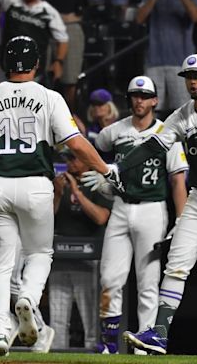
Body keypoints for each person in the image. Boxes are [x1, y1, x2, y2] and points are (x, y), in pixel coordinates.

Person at [0, 35, 120, 356]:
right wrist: (104, 168)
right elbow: (75, 143)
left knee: (1, 265)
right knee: (39, 254)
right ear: (36, 64)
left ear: (6, 63)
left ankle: (0, 332)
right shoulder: (49, 97)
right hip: (35, 184)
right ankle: (28, 300)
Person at [114, 54, 197, 354]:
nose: (191, 81)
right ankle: (160, 334)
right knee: (175, 266)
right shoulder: (181, 115)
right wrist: (118, 168)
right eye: (188, 76)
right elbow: (153, 144)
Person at [92, 75, 188, 355]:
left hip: (152, 209)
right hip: (121, 208)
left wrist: (180, 220)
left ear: (155, 100)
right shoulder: (114, 131)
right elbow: (96, 150)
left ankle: (144, 347)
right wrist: (103, 177)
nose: (140, 100)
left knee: (148, 281)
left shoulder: (166, 132)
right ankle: (109, 345)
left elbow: (178, 180)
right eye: (135, 95)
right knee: (110, 277)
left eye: (145, 96)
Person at [50, 147, 112, 350]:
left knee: (90, 318)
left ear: (86, 160)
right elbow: (48, 219)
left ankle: (92, 356)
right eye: (68, 158)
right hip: (60, 258)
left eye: (74, 158)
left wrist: (77, 192)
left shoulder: (97, 183)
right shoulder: (60, 183)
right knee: (57, 319)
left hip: (88, 259)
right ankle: (55, 358)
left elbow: (101, 217)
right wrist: (58, 194)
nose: (70, 162)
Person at [135, 0, 197, 120]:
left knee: (184, 113)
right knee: (151, 112)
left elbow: (195, 16)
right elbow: (139, 19)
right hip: (154, 62)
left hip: (181, 63)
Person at [0, 0, 69, 85]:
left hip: (34, 74)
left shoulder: (49, 11)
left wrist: (58, 61)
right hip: (6, 70)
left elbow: (63, 39)